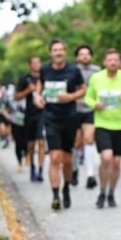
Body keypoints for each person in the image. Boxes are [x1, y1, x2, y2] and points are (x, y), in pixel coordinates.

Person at [84, 49, 121, 208]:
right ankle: (102, 191)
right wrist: (95, 104)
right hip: (102, 125)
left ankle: (111, 193)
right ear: (104, 62)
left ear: (120, 62)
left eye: (116, 60)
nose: (113, 62)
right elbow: (87, 97)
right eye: (110, 60)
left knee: (116, 163)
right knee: (107, 157)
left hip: (120, 126)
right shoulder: (96, 78)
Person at [34, 39, 86, 211]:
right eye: (55, 50)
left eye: (61, 50)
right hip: (51, 119)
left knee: (67, 160)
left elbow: (83, 89)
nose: (58, 53)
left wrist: (70, 97)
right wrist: (38, 97)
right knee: (55, 158)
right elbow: (38, 89)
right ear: (50, 53)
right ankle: (55, 195)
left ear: (65, 52)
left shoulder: (73, 70)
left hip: (69, 119)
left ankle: (66, 188)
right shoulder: (45, 70)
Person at [73, 45, 101, 189]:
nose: (84, 56)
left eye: (87, 54)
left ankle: (90, 175)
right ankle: (74, 170)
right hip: (75, 109)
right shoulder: (72, 71)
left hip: (90, 109)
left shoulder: (97, 71)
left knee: (89, 139)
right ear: (77, 57)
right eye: (81, 54)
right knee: (76, 143)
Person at [15, 56, 46, 182]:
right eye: (34, 62)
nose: (37, 64)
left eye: (39, 62)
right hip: (30, 114)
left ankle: (41, 170)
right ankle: (32, 167)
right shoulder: (24, 79)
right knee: (31, 144)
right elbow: (16, 96)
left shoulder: (46, 76)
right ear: (30, 65)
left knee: (42, 141)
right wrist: (28, 90)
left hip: (43, 113)